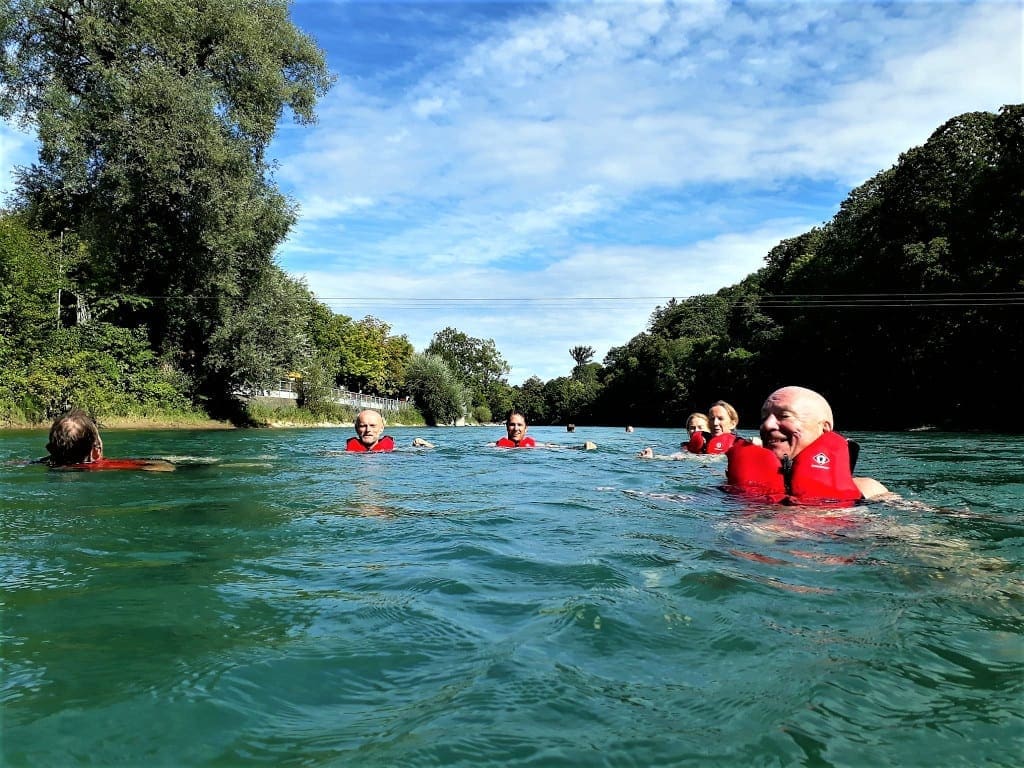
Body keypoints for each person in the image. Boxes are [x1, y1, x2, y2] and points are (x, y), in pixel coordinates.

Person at [725, 385, 890, 505]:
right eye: (764, 418)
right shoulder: (731, 485)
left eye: (784, 416)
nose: (767, 425)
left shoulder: (868, 491)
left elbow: (907, 536)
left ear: (824, 428)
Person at [43, 409, 175, 471]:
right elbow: (164, 467)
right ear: (96, 452)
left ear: (50, 449)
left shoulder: (46, 462)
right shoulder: (102, 465)